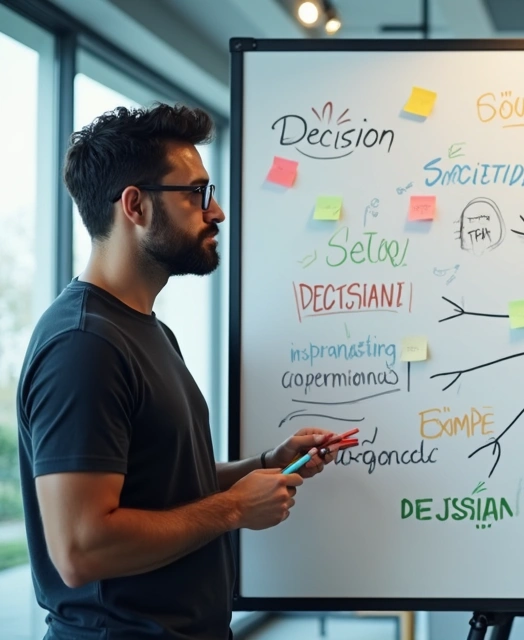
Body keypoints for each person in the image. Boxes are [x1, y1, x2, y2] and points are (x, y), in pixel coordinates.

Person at [17, 104, 336, 639]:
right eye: (196, 194)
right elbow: (80, 548)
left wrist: (267, 463)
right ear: (135, 206)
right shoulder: (83, 345)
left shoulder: (146, 330)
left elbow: (161, 485)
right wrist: (234, 509)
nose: (216, 213)